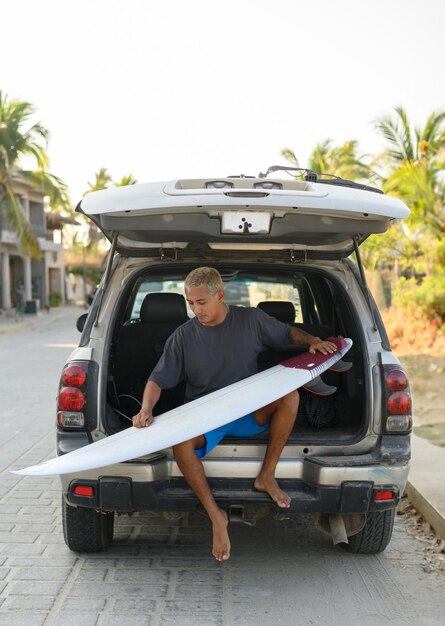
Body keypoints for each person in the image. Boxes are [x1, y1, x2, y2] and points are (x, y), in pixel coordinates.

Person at [133, 267, 339, 561]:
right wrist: (146, 408)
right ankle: (216, 515)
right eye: (190, 303)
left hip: (247, 410)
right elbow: (157, 380)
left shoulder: (251, 320)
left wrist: (311, 341)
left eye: (201, 302)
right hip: (207, 417)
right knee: (181, 445)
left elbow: (287, 333)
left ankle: (266, 477)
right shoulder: (183, 336)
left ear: (220, 295)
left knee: (290, 396)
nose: (195, 310)